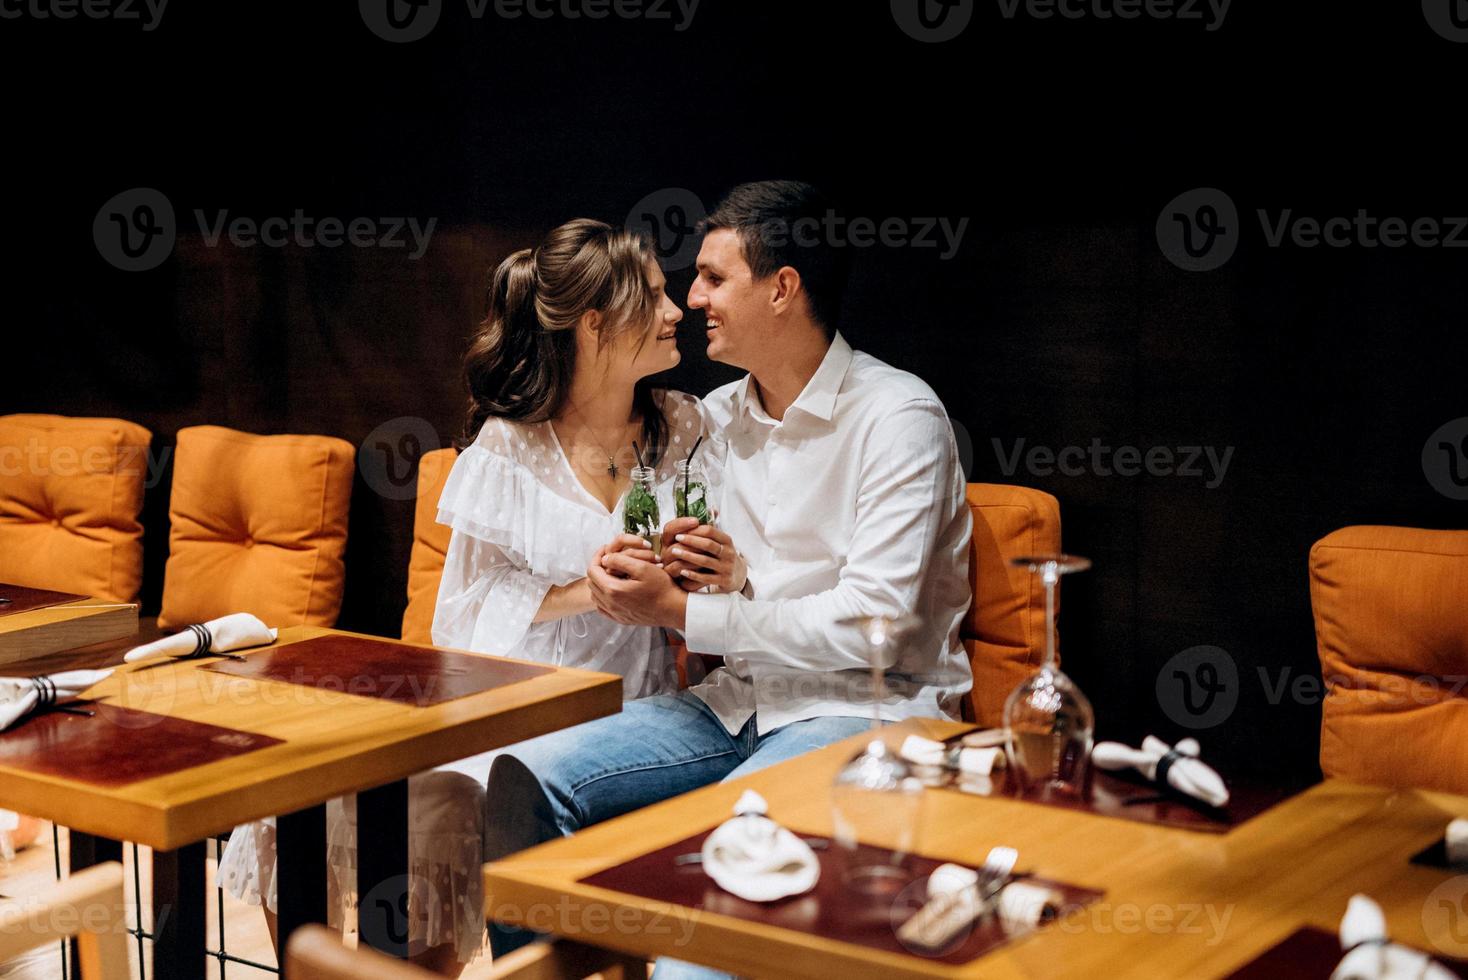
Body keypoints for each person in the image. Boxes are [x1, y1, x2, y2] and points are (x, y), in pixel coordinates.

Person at [482, 181, 975, 977]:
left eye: (714, 277)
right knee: (525, 781)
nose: (690, 297)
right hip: (734, 706)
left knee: (717, 877)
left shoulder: (897, 419)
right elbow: (676, 545)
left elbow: (873, 622)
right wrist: (631, 569)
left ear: (783, 288)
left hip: (866, 710)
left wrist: (693, 610)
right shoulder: (712, 420)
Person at [218, 218, 725, 975]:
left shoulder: (685, 425)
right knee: (313, 789)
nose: (675, 308)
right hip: (507, 693)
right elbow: (463, 614)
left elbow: (717, 561)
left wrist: (696, 571)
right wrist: (582, 592)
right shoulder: (510, 445)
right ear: (593, 325)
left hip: (625, 710)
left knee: (447, 801)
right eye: (651, 296)